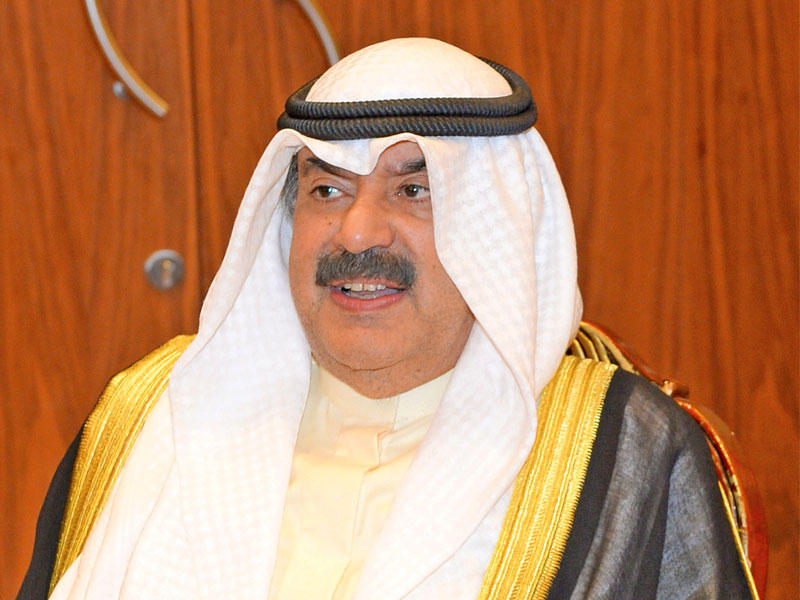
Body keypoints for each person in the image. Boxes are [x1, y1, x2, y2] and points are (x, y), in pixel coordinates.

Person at [19, 38, 754, 599]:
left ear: (495, 229)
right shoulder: (149, 415)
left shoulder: (622, 454)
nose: (358, 232)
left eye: (413, 190)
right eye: (327, 191)